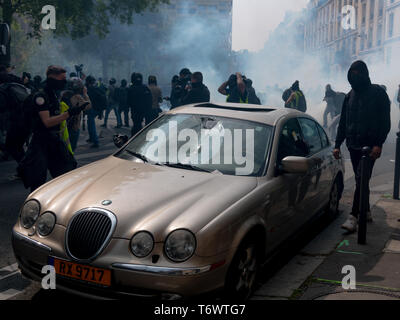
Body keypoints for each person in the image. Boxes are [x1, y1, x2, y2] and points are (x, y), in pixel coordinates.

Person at [334, 61, 391, 233]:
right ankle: (365, 211)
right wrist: (337, 144)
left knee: (361, 177)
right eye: (352, 73)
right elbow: (343, 122)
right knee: (361, 180)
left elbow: (385, 122)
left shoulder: (378, 93)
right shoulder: (349, 96)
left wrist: (378, 144)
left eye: (358, 72)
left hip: (369, 147)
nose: (355, 76)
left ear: (365, 73)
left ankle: (353, 216)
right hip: (353, 145)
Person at [18, 66, 85, 192]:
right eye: (62, 78)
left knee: (65, 174)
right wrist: (68, 114)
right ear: (52, 77)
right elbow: (47, 122)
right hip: (41, 141)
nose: (65, 82)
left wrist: (74, 110)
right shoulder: (41, 96)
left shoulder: (53, 94)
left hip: (53, 140)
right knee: (37, 181)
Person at [68, 78, 92, 152]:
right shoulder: (77, 97)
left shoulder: (64, 94)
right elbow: (88, 106)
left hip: (64, 125)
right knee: (71, 148)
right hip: (74, 125)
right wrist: (85, 94)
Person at [127, 72, 153, 137]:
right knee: (139, 124)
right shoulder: (145, 88)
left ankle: (136, 138)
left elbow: (128, 101)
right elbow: (149, 99)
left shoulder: (131, 89)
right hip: (143, 110)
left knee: (136, 124)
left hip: (135, 111)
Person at [86, 76, 104, 148]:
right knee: (89, 123)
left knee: (91, 125)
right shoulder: (98, 88)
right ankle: (91, 138)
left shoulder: (90, 89)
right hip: (97, 109)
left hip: (92, 109)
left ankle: (95, 141)